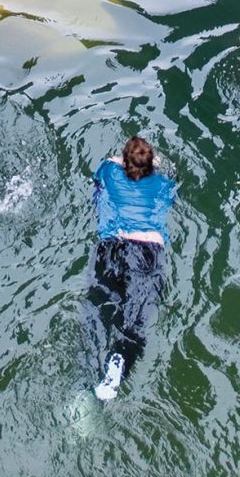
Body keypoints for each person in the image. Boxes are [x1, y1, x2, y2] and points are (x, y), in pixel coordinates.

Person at [88, 135, 176, 401]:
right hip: (147, 252)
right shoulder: (164, 184)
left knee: (100, 308)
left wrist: (122, 162)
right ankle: (119, 360)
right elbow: (170, 198)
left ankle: (90, 372)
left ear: (124, 162)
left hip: (111, 247)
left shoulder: (109, 171)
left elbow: (104, 170)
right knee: (136, 320)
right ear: (151, 164)